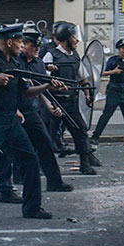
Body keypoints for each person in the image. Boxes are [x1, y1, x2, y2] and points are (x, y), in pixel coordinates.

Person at [0, 24, 58, 219]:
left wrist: (47, 86)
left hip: (12, 122)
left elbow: (25, 92)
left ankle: (32, 207)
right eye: (20, 41)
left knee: (30, 160)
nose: (22, 45)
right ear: (9, 41)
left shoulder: (14, 64)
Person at [19, 30, 74, 192]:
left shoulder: (39, 64)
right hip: (15, 110)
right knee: (15, 149)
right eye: (33, 46)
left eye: (38, 46)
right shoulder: (16, 62)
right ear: (24, 45)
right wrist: (45, 86)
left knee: (45, 144)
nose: (37, 49)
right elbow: (28, 89)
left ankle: (54, 181)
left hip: (31, 111)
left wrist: (50, 107)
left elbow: (42, 89)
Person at [43, 23, 98, 174]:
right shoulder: (51, 55)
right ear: (66, 38)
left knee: (80, 130)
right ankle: (42, 166)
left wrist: (87, 94)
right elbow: (43, 80)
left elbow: (83, 78)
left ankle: (85, 164)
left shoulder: (75, 57)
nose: (77, 40)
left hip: (70, 102)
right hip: (54, 102)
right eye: (74, 37)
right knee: (47, 135)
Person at [91, 39, 124, 146]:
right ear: (119, 49)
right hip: (113, 91)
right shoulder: (113, 60)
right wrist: (113, 72)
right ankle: (95, 137)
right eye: (123, 48)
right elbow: (101, 73)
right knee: (106, 115)